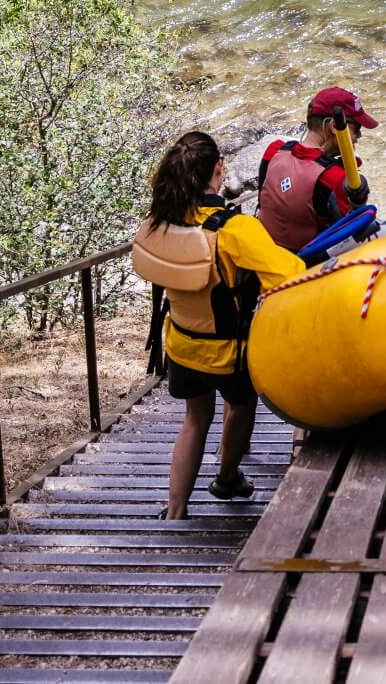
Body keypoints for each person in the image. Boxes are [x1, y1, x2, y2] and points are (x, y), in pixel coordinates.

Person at [133, 130, 304, 515]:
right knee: (241, 407)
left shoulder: (160, 221)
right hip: (230, 352)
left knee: (195, 419)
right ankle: (227, 477)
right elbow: (290, 274)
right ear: (218, 171)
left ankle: (175, 509)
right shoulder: (234, 230)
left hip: (180, 343)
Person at [255, 86, 375, 253]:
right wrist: (357, 201)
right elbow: (352, 234)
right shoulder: (334, 177)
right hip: (303, 264)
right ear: (334, 126)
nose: (359, 136)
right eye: (357, 129)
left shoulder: (274, 150)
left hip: (262, 248)